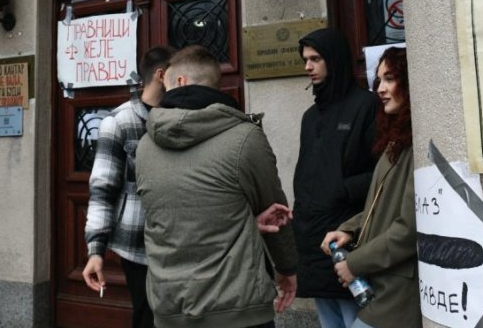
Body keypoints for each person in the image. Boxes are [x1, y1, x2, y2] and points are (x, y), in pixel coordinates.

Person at [136, 45, 298, 328]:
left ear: (180, 82)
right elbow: (276, 212)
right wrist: (287, 268)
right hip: (237, 305)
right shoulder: (245, 138)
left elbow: (173, 219)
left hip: (170, 305)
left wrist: (245, 224)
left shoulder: (144, 146)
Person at [321, 47, 421, 328]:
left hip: (397, 296)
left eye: (390, 78)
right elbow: (379, 206)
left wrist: (354, 264)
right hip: (380, 287)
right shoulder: (396, 142)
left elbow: (409, 229)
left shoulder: (416, 145)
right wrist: (349, 229)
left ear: (411, 81)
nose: (380, 89)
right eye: (379, 80)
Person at [82, 45, 174, 328]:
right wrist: (96, 250)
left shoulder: (182, 115)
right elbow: (102, 190)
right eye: (178, 72)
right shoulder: (119, 121)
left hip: (180, 240)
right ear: (161, 75)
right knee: (147, 317)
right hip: (138, 244)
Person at [293, 28, 379, 328]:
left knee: (357, 318)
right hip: (312, 239)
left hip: (347, 237)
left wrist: (342, 189)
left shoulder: (366, 106)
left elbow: (384, 173)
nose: (308, 66)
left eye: (315, 59)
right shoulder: (310, 116)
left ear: (335, 60)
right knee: (329, 320)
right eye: (305, 60)